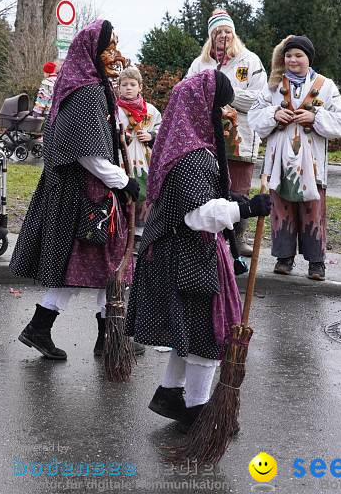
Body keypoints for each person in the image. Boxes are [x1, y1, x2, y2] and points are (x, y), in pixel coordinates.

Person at [126, 69, 268, 429]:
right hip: (187, 256)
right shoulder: (193, 156)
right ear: (201, 108)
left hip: (177, 253)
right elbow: (198, 214)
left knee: (185, 330)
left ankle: (170, 393)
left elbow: (197, 199)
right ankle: (198, 412)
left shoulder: (178, 147)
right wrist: (246, 208)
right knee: (207, 334)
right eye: (218, 107)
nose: (221, 115)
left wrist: (234, 199)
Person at [9, 20, 141, 361]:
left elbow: (93, 140)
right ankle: (101, 336)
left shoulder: (84, 84)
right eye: (107, 48)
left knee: (93, 267)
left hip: (82, 193)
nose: (114, 55)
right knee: (103, 265)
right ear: (92, 52)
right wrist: (123, 181)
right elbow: (87, 152)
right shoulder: (87, 92)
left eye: (115, 46)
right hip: (87, 195)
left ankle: (88, 334)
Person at [248, 36, 341, 280]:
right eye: (288, 55)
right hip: (279, 162)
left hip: (312, 164)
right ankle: (284, 257)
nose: (292, 60)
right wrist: (274, 114)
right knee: (281, 208)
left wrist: (315, 118)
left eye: (298, 56)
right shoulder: (273, 86)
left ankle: (317, 262)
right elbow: (254, 115)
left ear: (308, 59)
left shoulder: (325, 86)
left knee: (312, 209)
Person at [186, 8, 268, 262]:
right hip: (208, 137)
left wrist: (228, 94)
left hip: (240, 136)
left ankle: (238, 237)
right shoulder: (200, 64)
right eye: (218, 32)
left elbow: (261, 97)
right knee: (211, 184)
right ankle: (213, 234)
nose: (223, 36)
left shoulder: (250, 61)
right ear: (211, 37)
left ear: (234, 34)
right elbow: (187, 93)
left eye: (227, 31)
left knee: (238, 186)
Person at [113, 66, 162, 239]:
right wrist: (119, 136)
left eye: (132, 84)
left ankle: (140, 231)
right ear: (118, 88)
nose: (128, 87)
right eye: (124, 84)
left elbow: (162, 132)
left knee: (143, 191)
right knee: (121, 193)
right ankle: (121, 229)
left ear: (140, 87)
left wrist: (151, 135)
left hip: (144, 160)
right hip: (121, 159)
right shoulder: (114, 110)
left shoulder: (151, 110)